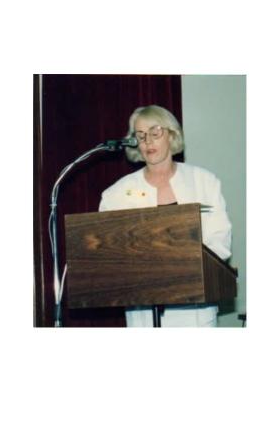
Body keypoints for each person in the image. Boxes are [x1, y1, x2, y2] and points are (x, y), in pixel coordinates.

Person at [99, 104, 232, 327]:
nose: (148, 141)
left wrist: (185, 268)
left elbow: (220, 241)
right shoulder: (116, 193)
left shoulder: (204, 182)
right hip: (142, 313)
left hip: (197, 312)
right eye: (140, 136)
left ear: (171, 135)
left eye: (155, 132)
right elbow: (110, 255)